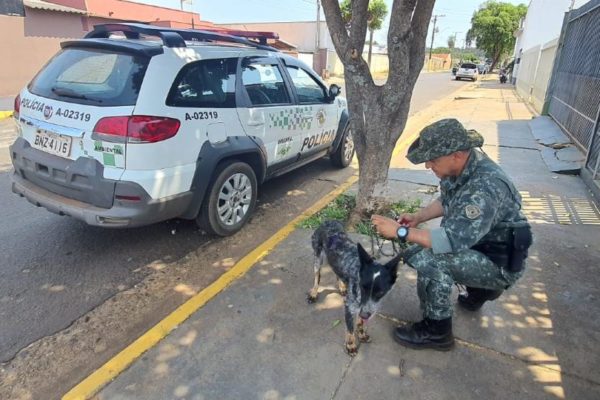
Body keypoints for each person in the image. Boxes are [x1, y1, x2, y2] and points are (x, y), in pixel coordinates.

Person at [371, 118, 532, 351]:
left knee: (428, 258)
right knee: (423, 244)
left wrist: (401, 231)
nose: (428, 166)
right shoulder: (462, 168)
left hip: (499, 261)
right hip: (483, 246)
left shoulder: (485, 187)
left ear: (456, 155)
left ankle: (436, 331)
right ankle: (482, 289)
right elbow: (447, 200)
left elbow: (449, 241)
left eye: (433, 160)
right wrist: (419, 217)